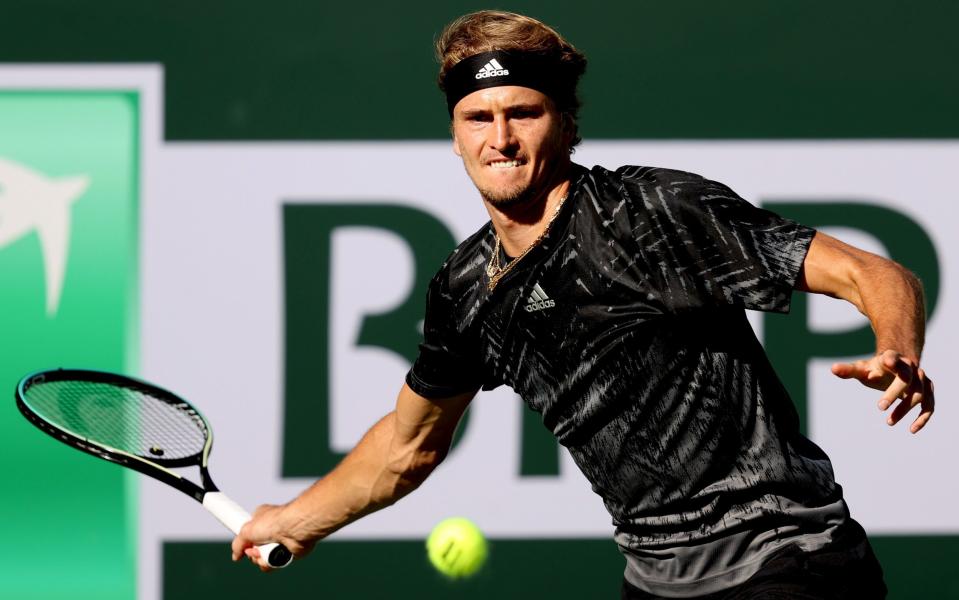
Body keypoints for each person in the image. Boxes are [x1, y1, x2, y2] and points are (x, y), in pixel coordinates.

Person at [232, 10, 934, 598]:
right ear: (454, 135)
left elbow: (869, 271)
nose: (499, 140)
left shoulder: (652, 212)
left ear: (566, 125)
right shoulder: (464, 287)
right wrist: (295, 520)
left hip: (786, 559)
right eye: (477, 117)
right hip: (655, 579)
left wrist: (896, 346)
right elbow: (406, 447)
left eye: (522, 114)